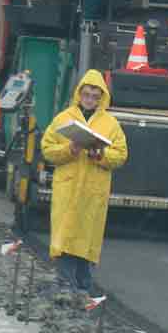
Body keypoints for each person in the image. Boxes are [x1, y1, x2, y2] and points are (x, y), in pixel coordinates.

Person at [40, 70, 128, 296]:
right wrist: (70, 149)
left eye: (95, 96)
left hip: (93, 191)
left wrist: (100, 156)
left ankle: (82, 285)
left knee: (86, 238)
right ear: (79, 94)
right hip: (68, 189)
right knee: (66, 234)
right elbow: (47, 149)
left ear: (102, 98)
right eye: (86, 94)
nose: (90, 99)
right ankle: (64, 283)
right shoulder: (63, 119)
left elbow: (120, 155)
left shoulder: (111, 124)